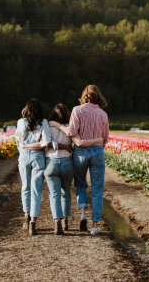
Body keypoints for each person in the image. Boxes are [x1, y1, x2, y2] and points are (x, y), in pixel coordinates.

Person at [51, 85, 109, 235]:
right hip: (97, 151)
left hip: (80, 152)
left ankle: (83, 213)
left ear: (84, 96)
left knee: (81, 184)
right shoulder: (103, 114)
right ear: (98, 97)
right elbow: (105, 139)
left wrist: (57, 125)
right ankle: (95, 225)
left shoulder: (77, 110)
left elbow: (71, 132)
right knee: (97, 188)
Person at [15, 99, 52, 236]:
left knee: (25, 187)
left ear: (26, 110)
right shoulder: (44, 122)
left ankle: (26, 215)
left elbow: (19, 141)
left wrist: (25, 147)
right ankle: (33, 223)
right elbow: (46, 143)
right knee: (36, 189)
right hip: (38, 157)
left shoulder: (21, 122)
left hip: (24, 157)